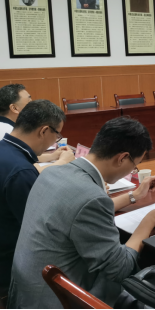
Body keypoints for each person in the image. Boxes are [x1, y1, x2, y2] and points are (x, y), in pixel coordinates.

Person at [8, 117, 155, 308]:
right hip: (57, 300)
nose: (132, 170)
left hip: (27, 292)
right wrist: (149, 220)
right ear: (122, 158)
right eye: (134, 165)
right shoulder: (91, 199)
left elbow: (77, 209)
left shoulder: (52, 173)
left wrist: (134, 196)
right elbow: (119, 269)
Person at [0, 100, 68, 294]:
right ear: (44, 131)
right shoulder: (21, 172)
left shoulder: (5, 150)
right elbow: (41, 229)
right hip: (10, 262)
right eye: (57, 134)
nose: (55, 141)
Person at [0, 84, 74, 170]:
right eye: (29, 103)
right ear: (14, 108)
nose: (33, 107)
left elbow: (24, 155)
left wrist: (52, 156)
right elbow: (25, 170)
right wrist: (63, 162)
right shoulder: (8, 132)